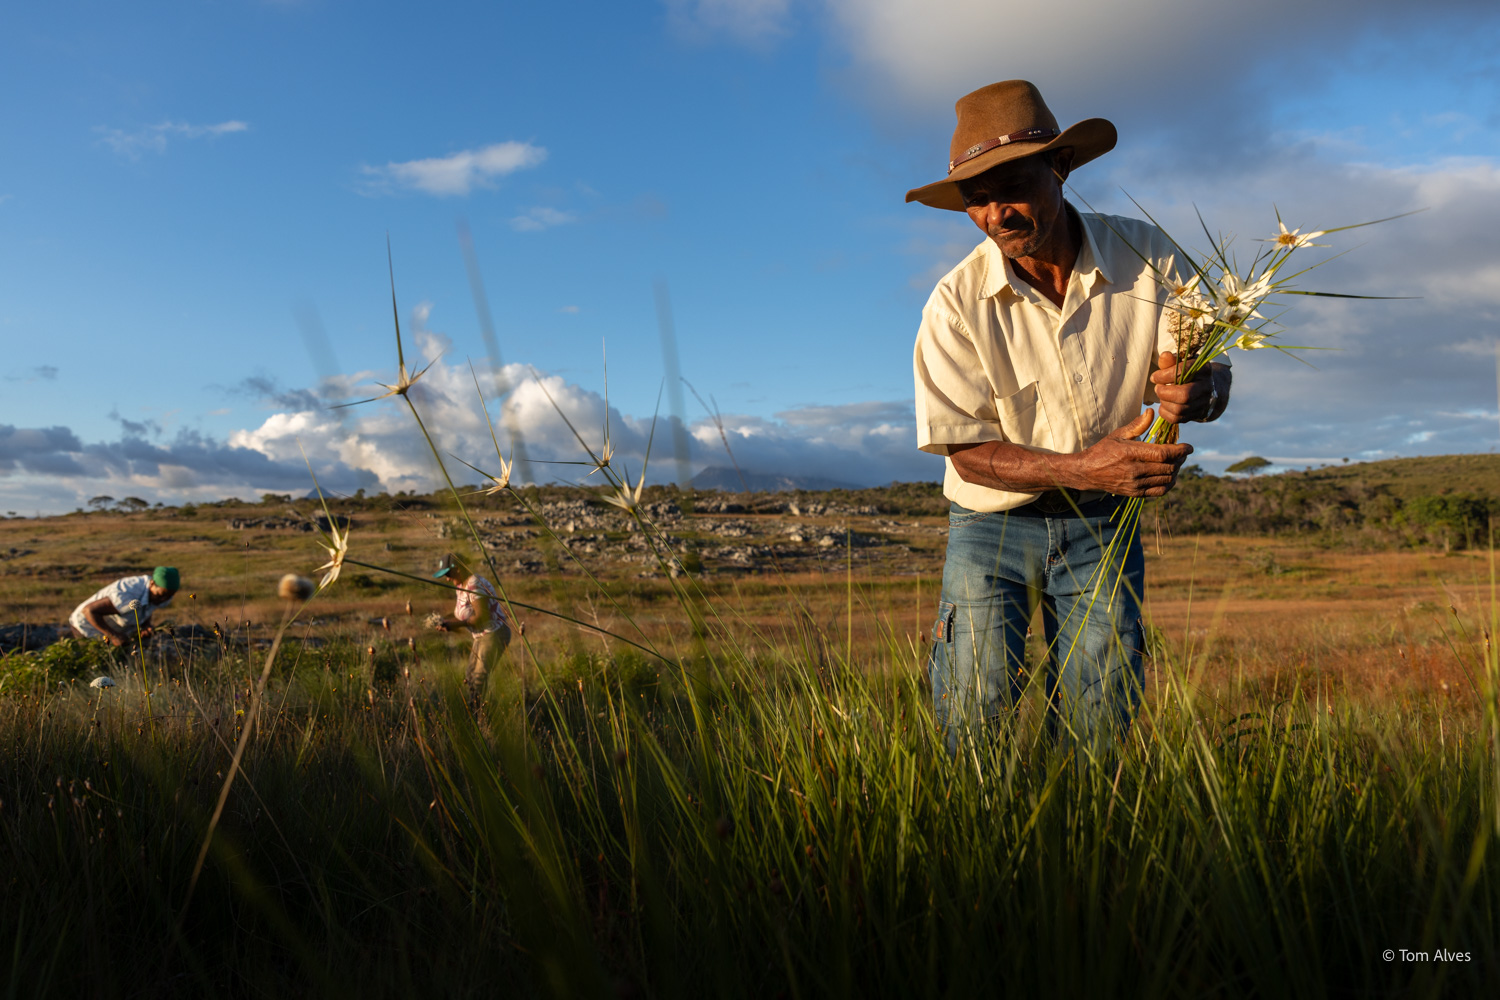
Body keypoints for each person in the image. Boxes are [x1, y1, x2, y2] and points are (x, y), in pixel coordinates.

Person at [907, 80, 1231, 751]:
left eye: (1012, 186)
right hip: (990, 529)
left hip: (1102, 528)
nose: (997, 214)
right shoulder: (954, 303)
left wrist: (1197, 392)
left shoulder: (1150, 258)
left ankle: (1087, 849)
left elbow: (1205, 370)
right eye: (977, 199)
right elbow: (966, 451)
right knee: (973, 710)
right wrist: (1087, 468)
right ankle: (975, 847)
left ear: (1059, 168)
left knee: (1101, 714)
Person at [431, 553, 511, 699]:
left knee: (479, 679)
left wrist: (453, 625)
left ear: (459, 569)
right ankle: (476, 710)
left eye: (448, 574)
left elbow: (481, 617)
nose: (447, 578)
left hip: (493, 634)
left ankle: (479, 714)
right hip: (481, 636)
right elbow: (462, 614)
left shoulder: (474, 584)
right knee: (470, 675)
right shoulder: (461, 586)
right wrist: (444, 620)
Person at [69, 566, 180, 648]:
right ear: (151, 584)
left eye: (170, 595)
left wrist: (145, 626)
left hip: (112, 631)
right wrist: (113, 636)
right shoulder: (127, 593)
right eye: (161, 595)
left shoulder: (162, 595)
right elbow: (88, 611)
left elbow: (147, 608)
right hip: (85, 627)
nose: (164, 599)